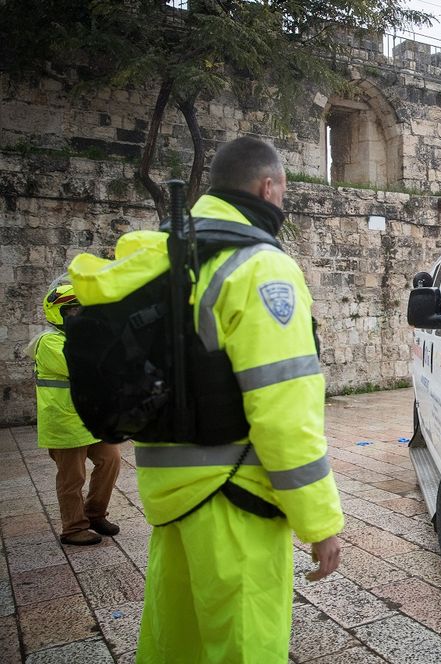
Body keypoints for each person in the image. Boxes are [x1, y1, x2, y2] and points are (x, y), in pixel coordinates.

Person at [134, 137, 344, 662]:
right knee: (244, 649)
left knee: (175, 645)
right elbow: (282, 412)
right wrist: (318, 523)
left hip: (170, 492)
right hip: (234, 496)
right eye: (284, 191)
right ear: (268, 187)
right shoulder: (259, 266)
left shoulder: (167, 252)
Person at [28, 284, 121, 546]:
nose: (79, 315)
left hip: (90, 419)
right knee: (72, 477)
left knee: (111, 459)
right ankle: (73, 528)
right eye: (73, 310)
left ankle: (95, 513)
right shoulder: (48, 342)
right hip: (63, 421)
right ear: (58, 312)